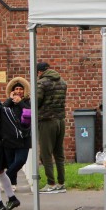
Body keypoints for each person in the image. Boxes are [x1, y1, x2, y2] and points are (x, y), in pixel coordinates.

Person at [36, 62, 68, 194]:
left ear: (39, 72)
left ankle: (51, 183)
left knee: (46, 154)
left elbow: (36, 102)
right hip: (60, 120)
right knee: (59, 154)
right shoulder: (63, 82)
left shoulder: (42, 83)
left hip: (46, 121)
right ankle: (61, 183)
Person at [1, 77, 32, 191]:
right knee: (10, 162)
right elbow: (3, 109)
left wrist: (20, 103)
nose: (18, 91)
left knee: (20, 160)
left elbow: (29, 112)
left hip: (24, 136)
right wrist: (10, 99)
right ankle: (11, 184)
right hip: (9, 136)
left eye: (21, 89)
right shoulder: (8, 103)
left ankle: (5, 177)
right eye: (16, 89)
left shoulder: (27, 102)